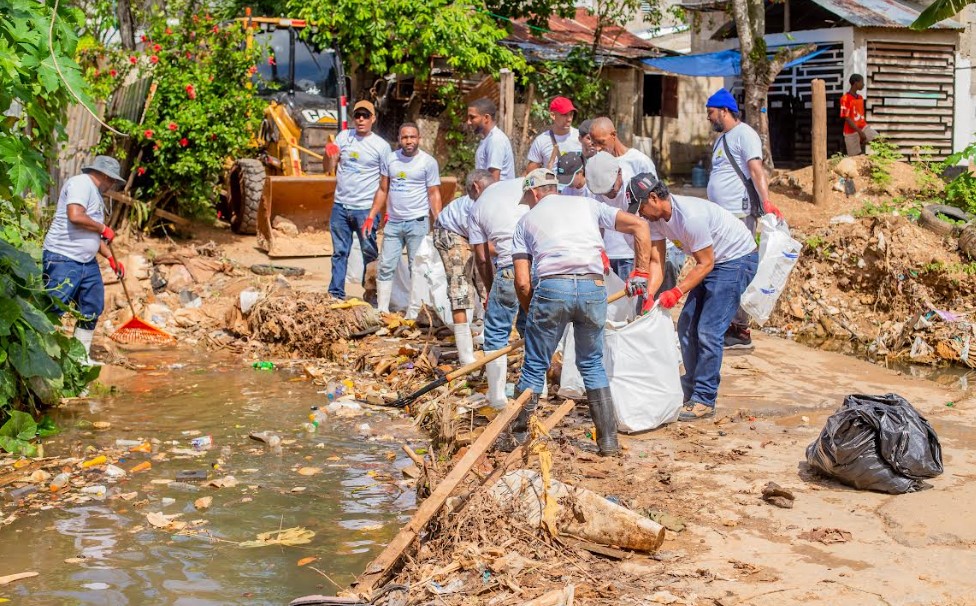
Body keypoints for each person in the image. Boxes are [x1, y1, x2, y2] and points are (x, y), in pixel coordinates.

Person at [508, 169, 653, 455]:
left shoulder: (525, 221)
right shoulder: (588, 205)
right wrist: (642, 272)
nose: (529, 203)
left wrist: (533, 315)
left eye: (528, 198)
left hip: (552, 288)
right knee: (592, 365)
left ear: (535, 193)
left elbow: (523, 282)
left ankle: (518, 436)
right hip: (593, 286)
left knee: (535, 366)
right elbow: (640, 226)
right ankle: (608, 442)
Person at [627, 173, 759, 422]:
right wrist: (650, 295)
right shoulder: (656, 219)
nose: (640, 213)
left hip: (736, 260)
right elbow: (657, 261)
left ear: (654, 198)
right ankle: (689, 390)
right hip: (712, 262)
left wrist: (677, 291)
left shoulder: (690, 217)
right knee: (687, 325)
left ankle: (704, 400)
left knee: (709, 331)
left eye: (641, 206)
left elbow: (706, 263)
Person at [705, 88, 782, 350]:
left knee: (736, 269)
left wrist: (767, 202)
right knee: (723, 268)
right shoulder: (722, 139)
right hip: (722, 216)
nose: (708, 118)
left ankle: (740, 330)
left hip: (739, 213)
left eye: (711, 112)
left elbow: (755, 170)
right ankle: (729, 324)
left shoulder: (745, 134)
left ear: (724, 111)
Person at [42, 155, 127, 363]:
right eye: (113, 180)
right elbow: (75, 215)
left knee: (92, 305)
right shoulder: (81, 184)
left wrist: (111, 258)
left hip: (85, 262)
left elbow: (92, 236)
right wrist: (103, 228)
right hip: (63, 258)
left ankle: (80, 357)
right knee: (54, 306)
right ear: (105, 176)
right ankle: (40, 353)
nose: (113, 185)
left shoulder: (95, 194)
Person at [365, 123, 442, 313]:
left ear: (419, 139)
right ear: (399, 139)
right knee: (385, 265)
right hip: (394, 223)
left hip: (417, 222)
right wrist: (371, 215)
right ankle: (382, 309)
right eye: (405, 137)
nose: (409, 141)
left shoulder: (428, 162)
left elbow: (433, 193)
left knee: (417, 268)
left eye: (412, 137)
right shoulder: (390, 159)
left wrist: (439, 220)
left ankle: (415, 311)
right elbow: (383, 189)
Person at [467, 177, 530, 409]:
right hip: (540, 265)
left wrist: (491, 288)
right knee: (531, 325)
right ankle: (538, 388)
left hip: (510, 266)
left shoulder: (477, 207)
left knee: (495, 332)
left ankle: (496, 397)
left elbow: (482, 258)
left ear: (476, 187)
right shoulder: (523, 183)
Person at [324, 100, 391, 301]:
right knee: (339, 252)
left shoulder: (381, 146)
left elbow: (386, 182)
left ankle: (371, 294)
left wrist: (383, 212)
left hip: (365, 210)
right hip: (341, 207)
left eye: (365, 115)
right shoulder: (344, 137)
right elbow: (328, 167)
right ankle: (336, 293)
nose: (361, 119)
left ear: (373, 118)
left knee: (369, 252)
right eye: (357, 115)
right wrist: (328, 155)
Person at [432, 169, 497, 364]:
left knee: (487, 285)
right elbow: (487, 249)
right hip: (451, 233)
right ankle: (465, 354)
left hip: (474, 238)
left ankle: (488, 337)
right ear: (477, 187)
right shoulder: (474, 208)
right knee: (461, 288)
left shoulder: (494, 201)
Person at [586, 118, 657, 279]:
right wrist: (599, 251)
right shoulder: (595, 164)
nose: (597, 148)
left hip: (633, 252)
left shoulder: (639, 161)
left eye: (601, 142)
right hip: (608, 253)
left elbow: (654, 206)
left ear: (613, 135)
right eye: (594, 143)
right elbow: (595, 208)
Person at [525, 96, 582, 172]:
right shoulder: (541, 141)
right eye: (564, 115)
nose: (569, 119)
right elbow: (530, 174)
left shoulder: (581, 137)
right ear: (553, 115)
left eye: (571, 114)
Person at [467, 98, 516, 180]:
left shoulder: (495, 140)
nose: (468, 122)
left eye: (472, 117)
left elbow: (493, 180)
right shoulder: (488, 139)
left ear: (486, 118)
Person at [840, 74, 877, 157]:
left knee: (879, 139)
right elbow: (847, 118)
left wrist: (862, 132)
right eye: (862, 82)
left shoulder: (860, 97)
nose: (863, 84)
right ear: (856, 83)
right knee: (855, 157)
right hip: (851, 132)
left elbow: (861, 115)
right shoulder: (845, 98)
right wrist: (859, 132)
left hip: (863, 127)